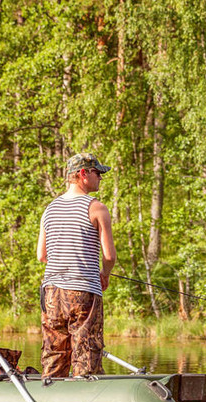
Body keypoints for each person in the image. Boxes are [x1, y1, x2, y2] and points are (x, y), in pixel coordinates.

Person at [37, 153, 117, 378]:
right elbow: (109, 256)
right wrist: (105, 274)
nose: (100, 178)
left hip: (51, 292)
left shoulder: (49, 209)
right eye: (98, 173)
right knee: (86, 355)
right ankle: (86, 400)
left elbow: (41, 255)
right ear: (84, 174)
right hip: (83, 292)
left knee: (54, 354)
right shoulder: (96, 208)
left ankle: (51, 395)